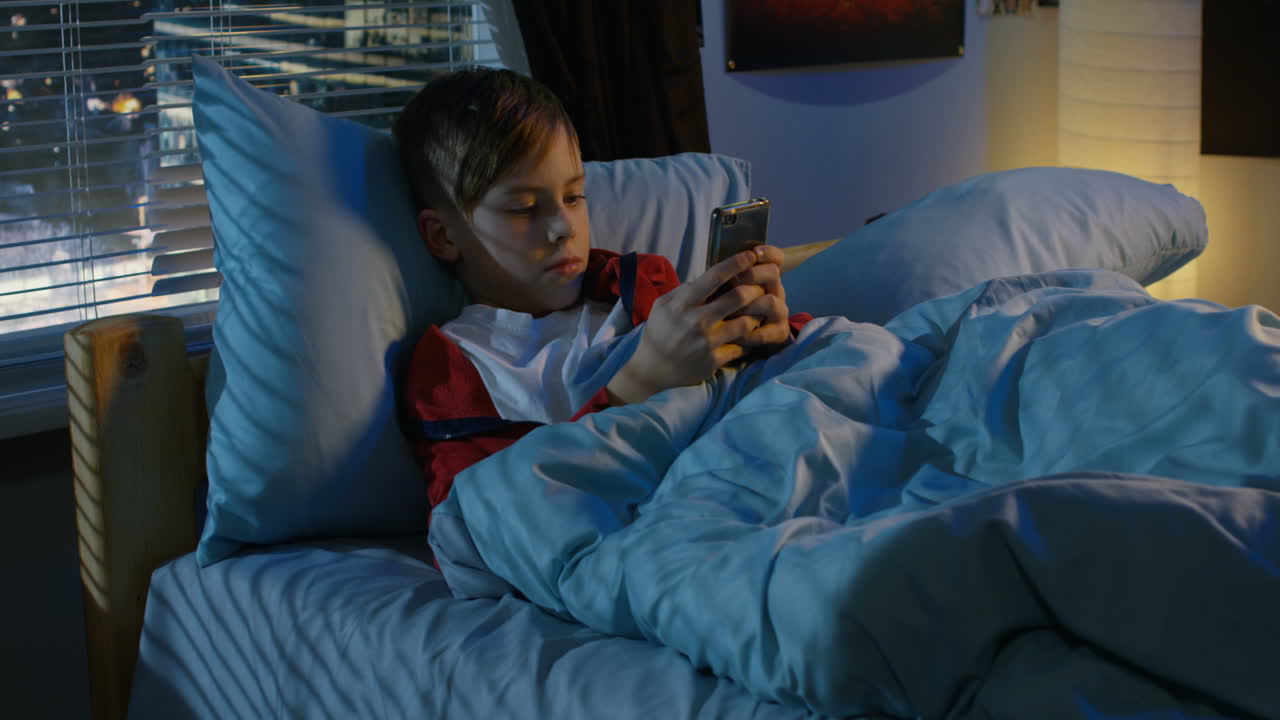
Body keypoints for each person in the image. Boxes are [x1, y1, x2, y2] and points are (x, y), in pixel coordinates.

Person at [394, 67, 808, 512]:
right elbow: (481, 523)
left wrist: (773, 339)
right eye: (523, 209)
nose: (564, 227)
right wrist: (633, 391)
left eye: (574, 197)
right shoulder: (454, 371)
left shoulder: (639, 284)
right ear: (443, 236)